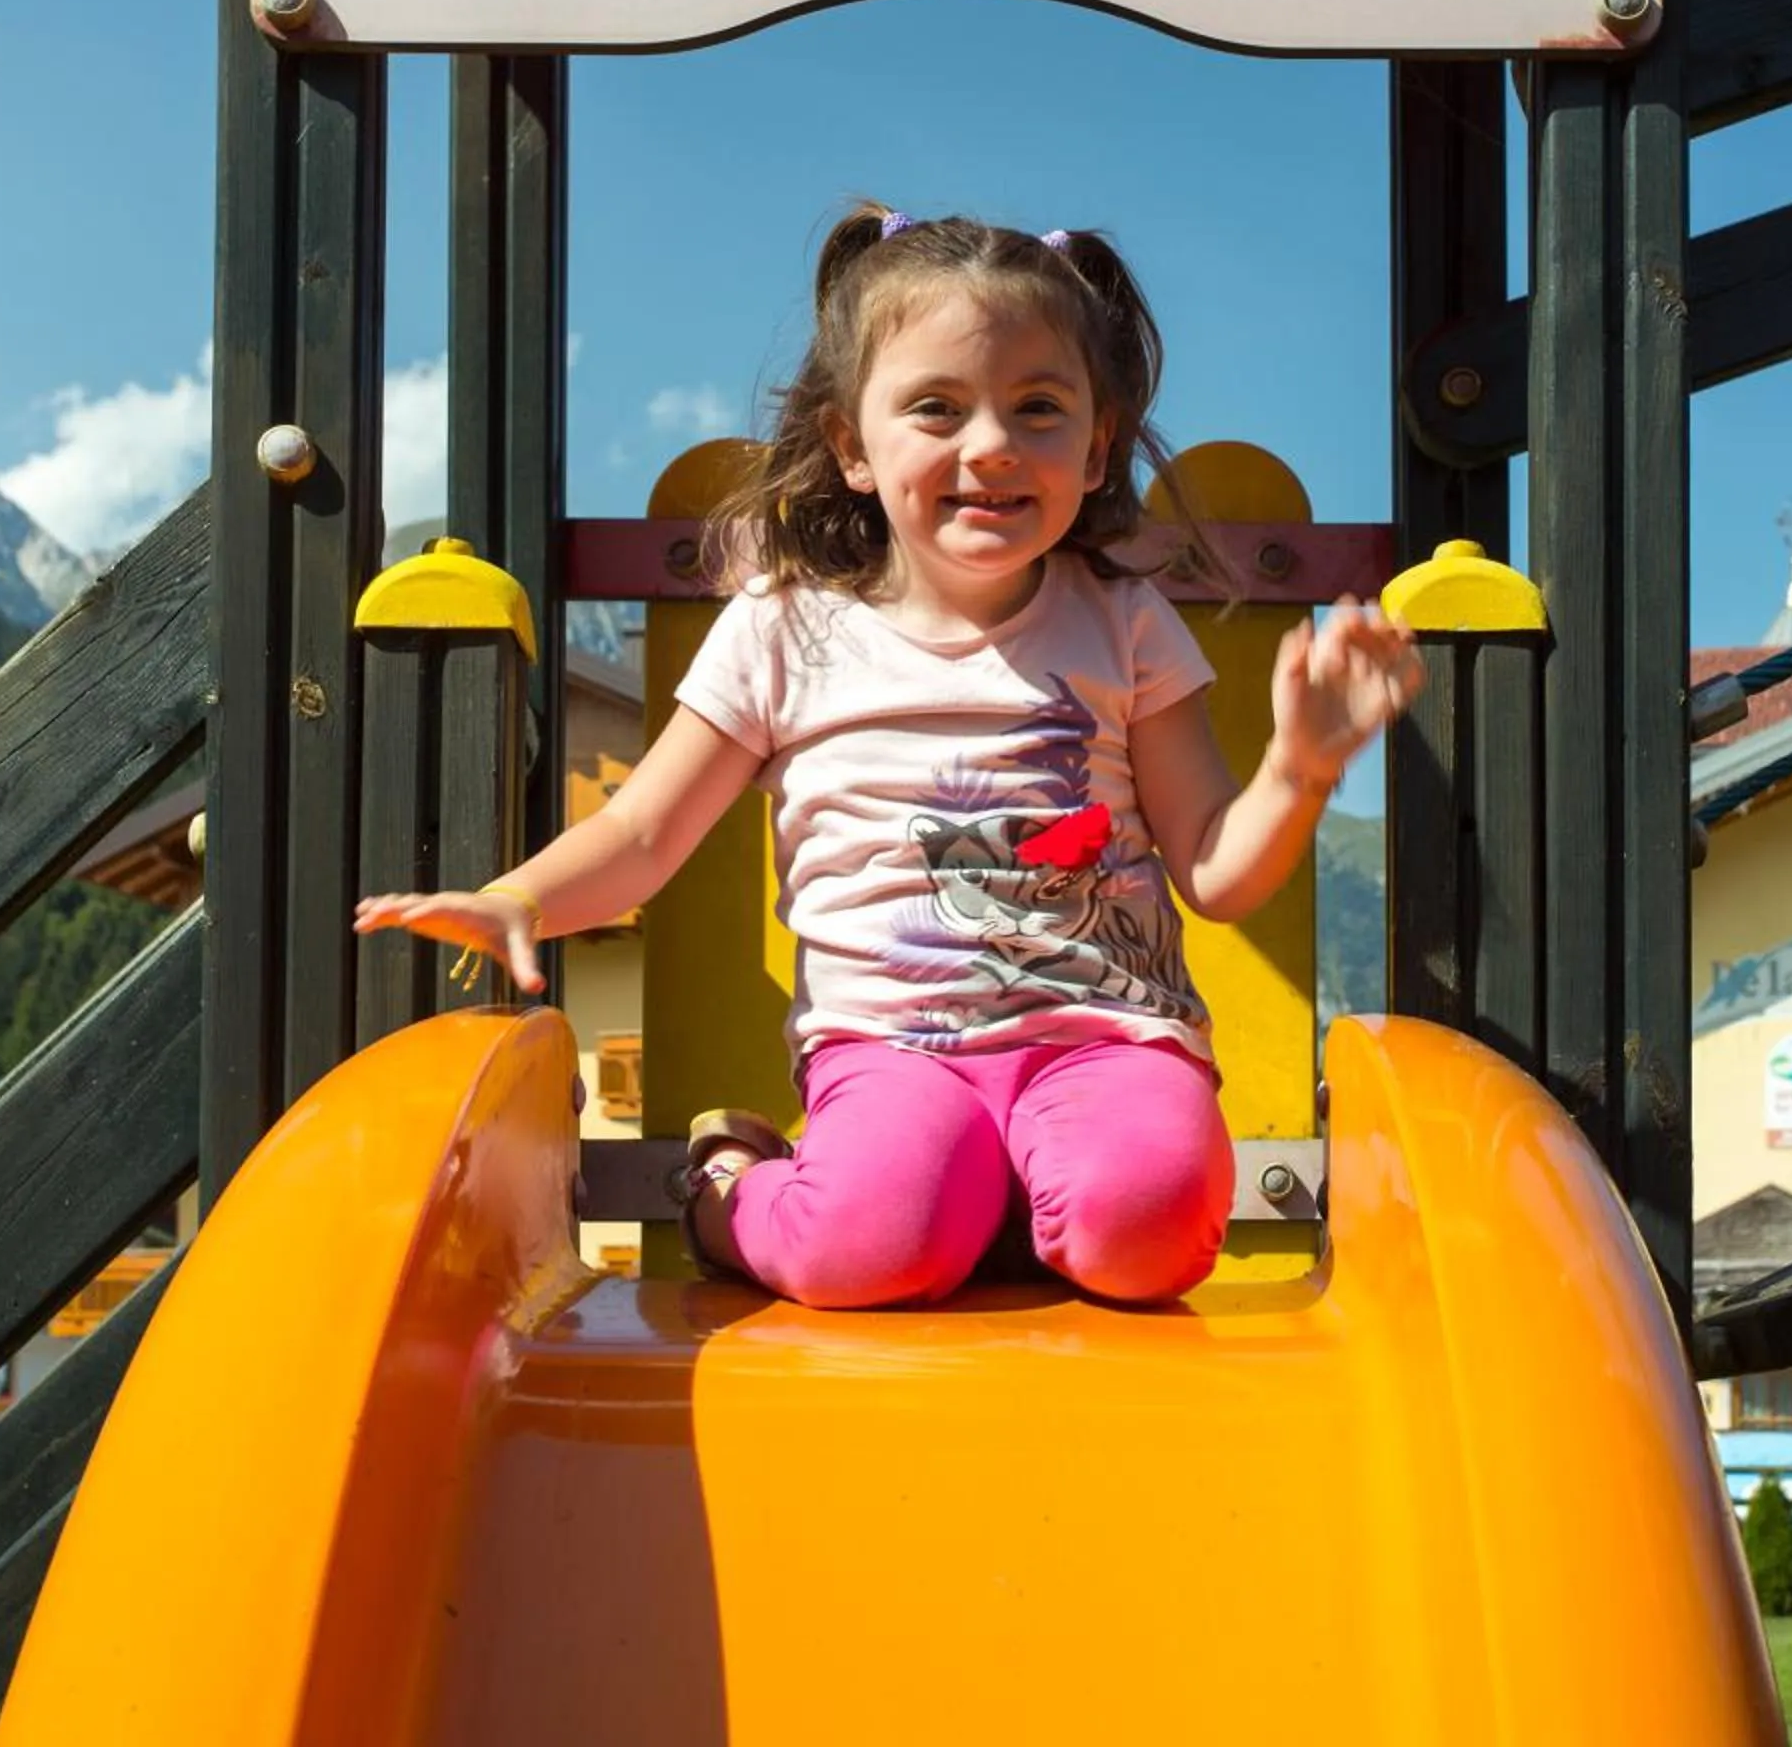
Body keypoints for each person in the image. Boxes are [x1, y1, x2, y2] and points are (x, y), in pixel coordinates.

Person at [354, 206, 1420, 1308]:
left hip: (1106, 1042)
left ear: (1096, 445)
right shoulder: (786, 627)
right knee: (868, 1244)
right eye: (937, 409)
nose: (992, 443)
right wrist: (522, 897)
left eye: (1038, 408)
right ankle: (731, 1184)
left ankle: (1015, 1206)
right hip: (892, 1052)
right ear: (852, 447)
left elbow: (1213, 868)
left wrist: (1300, 767)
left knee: (1150, 1231)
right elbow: (642, 830)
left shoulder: (1124, 621)